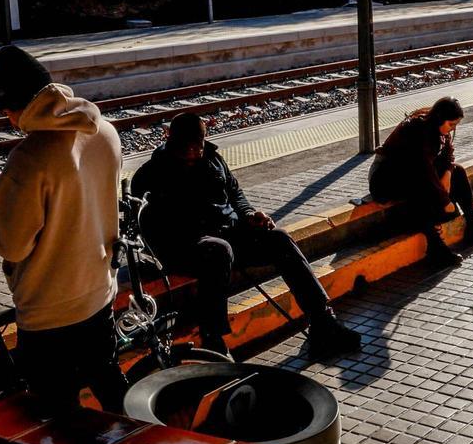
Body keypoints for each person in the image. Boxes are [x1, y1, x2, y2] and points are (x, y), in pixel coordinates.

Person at [132, 113, 361, 360]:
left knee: (279, 239)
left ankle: (322, 321)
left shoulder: (213, 159)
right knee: (218, 250)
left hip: (228, 237)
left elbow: (236, 194)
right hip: (186, 246)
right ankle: (213, 340)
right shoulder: (150, 174)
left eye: (196, 144)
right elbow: (142, 224)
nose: (190, 151)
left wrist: (250, 215)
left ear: (203, 139)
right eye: (184, 145)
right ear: (169, 139)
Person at [0, 46, 128, 413]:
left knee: (54, 417)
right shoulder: (106, 132)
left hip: (49, 313)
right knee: (110, 387)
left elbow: (12, 246)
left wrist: (2, 202)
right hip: (99, 293)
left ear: (13, 105)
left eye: (4, 110)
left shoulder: (30, 158)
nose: (7, 119)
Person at [368, 97, 473, 267]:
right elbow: (422, 171)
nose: (453, 129)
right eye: (451, 124)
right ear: (440, 118)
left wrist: (449, 173)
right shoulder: (417, 129)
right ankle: (435, 247)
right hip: (385, 178)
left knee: (458, 172)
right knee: (420, 187)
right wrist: (445, 201)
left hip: (408, 173)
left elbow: (447, 155)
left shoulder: (439, 131)